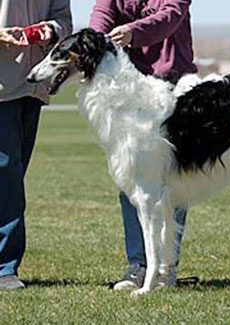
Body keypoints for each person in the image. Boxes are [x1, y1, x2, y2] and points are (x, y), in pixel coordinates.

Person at [89, 0, 197, 290]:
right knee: (133, 183)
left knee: (174, 184)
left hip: (173, 88)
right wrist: (94, 39)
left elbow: (170, 16)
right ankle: (138, 265)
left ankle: (166, 268)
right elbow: (101, 18)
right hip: (131, 90)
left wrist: (131, 32)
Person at [0, 0, 72, 290]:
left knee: (13, 176)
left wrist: (50, 31)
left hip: (34, 86)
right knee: (5, 174)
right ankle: (4, 268)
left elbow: (64, 21)